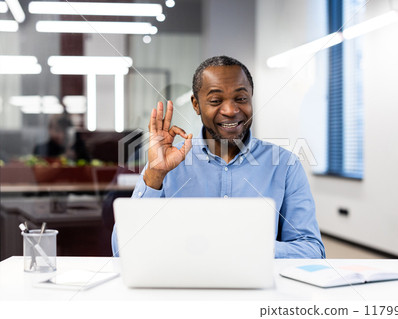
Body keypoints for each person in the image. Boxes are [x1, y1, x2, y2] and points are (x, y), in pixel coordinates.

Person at [112, 56, 325, 259]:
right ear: (196, 105)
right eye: (215, 100)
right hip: (185, 288)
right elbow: (123, 250)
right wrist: (155, 174)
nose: (231, 110)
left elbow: (311, 249)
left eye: (241, 98)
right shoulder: (167, 165)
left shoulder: (286, 166)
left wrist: (248, 249)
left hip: (258, 292)